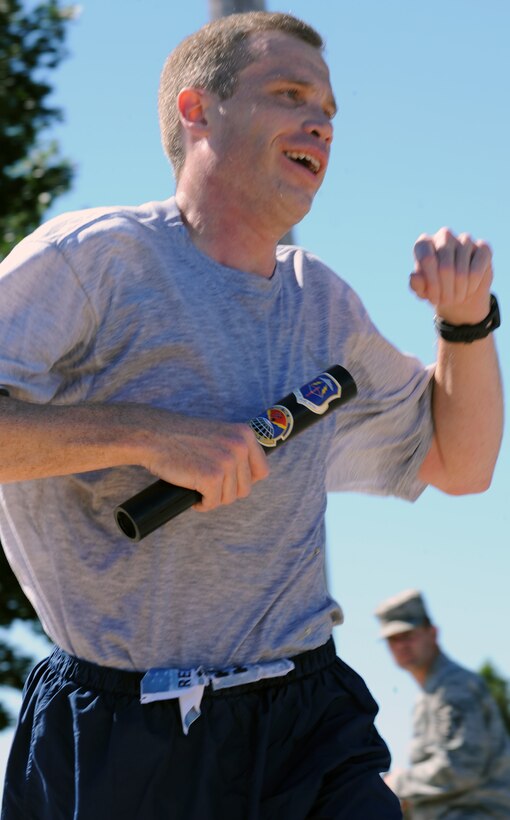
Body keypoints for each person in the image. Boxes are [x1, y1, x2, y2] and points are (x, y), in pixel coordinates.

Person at [0, 10, 503, 820]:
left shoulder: (325, 305)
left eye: (330, 112)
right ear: (198, 110)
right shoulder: (92, 262)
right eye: (290, 94)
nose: (321, 124)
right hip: (124, 734)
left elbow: (462, 464)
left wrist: (468, 324)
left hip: (306, 719)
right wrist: (147, 433)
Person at [375, 589, 510, 819]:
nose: (400, 645)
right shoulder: (433, 692)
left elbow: (460, 768)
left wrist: (395, 784)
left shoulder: (454, 688)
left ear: (433, 633)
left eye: (408, 634)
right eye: (392, 639)